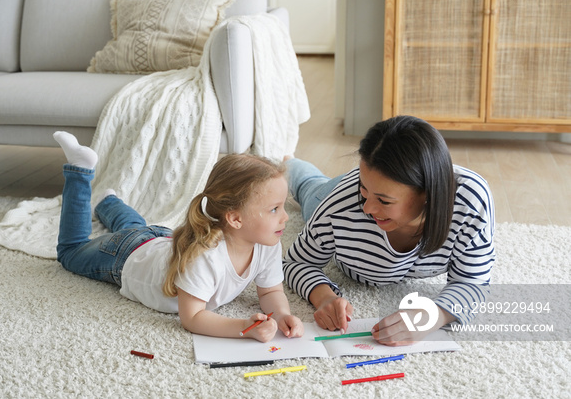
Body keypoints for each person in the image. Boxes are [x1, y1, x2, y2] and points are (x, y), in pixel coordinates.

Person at [53, 131, 304, 342]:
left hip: (159, 239)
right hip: (125, 256)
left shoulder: (267, 241)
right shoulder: (206, 257)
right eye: (274, 209)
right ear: (235, 219)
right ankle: (79, 171)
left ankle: (108, 202)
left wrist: (281, 315)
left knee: (134, 228)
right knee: (71, 252)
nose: (286, 217)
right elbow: (192, 318)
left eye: (283, 206)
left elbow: (270, 291)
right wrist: (244, 328)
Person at [282, 115, 495, 346]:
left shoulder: (471, 203)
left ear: (428, 195)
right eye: (365, 191)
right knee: (310, 187)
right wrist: (325, 297)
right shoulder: (340, 207)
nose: (368, 208)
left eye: (384, 201)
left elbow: (473, 282)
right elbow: (295, 263)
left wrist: (432, 317)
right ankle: (289, 163)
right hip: (333, 192)